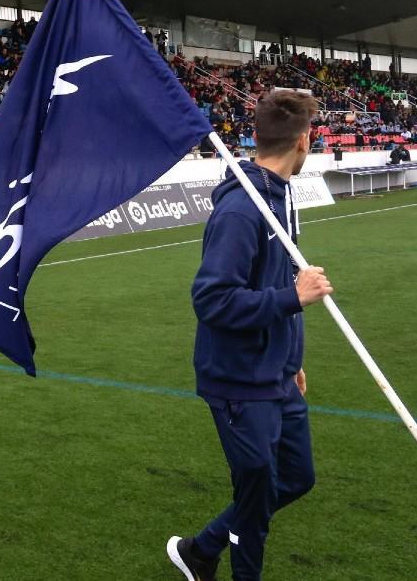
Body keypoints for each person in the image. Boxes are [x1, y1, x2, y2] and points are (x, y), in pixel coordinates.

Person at [168, 90, 331, 581]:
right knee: (256, 498)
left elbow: (274, 279)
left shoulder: (279, 196)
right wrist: (292, 299)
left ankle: (202, 549)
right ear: (304, 139)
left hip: (276, 372)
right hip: (238, 378)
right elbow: (212, 299)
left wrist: (290, 357)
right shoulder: (242, 210)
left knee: (296, 478)